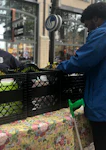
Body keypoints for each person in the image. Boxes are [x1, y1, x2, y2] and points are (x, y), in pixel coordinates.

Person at [57, 2, 106, 149]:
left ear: (96, 19)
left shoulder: (102, 34)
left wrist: (59, 67)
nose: (87, 29)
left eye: (87, 25)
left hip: (102, 105)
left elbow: (82, 61)